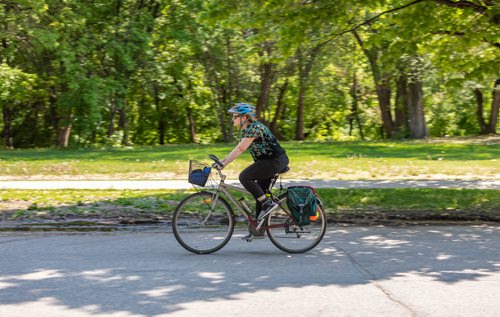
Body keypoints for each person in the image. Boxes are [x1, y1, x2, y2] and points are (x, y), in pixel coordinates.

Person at [216, 103, 289, 226]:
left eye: (235, 116)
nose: (232, 119)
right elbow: (237, 148)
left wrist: (225, 164)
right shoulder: (248, 130)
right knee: (259, 194)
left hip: (274, 161)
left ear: (244, 118)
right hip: (268, 161)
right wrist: (223, 161)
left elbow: (240, 149)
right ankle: (258, 229)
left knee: (244, 177)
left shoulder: (255, 128)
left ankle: (268, 204)